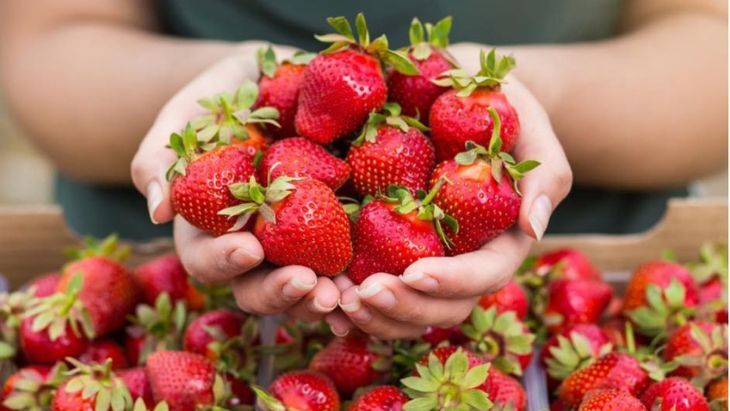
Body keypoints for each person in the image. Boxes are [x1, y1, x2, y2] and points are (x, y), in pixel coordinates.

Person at [0, 0, 726, 339]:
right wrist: (242, 82)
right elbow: (45, 41)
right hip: (170, 273)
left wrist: (529, 90)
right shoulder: (294, 163)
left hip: (587, 268)